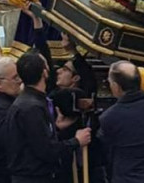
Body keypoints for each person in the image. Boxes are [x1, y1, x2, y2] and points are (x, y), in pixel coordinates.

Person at [6, 51, 91, 182]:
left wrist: (55, 128)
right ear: (45, 73)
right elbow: (47, 150)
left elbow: (34, 138)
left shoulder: (30, 101)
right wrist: (76, 141)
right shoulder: (32, 107)